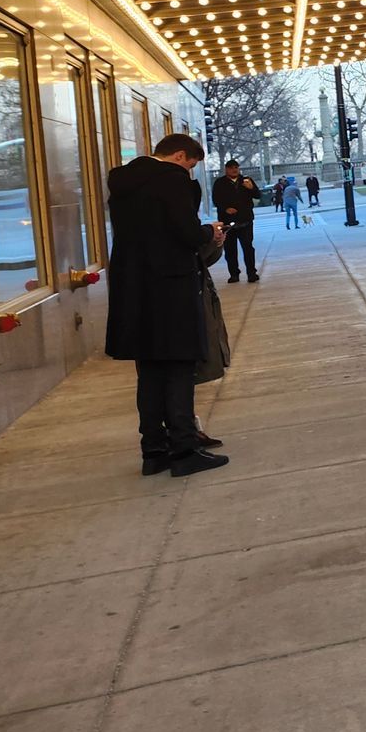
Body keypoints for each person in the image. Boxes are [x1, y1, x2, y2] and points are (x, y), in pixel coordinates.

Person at [106, 133, 229, 477]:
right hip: (171, 290)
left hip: (134, 291)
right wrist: (210, 232)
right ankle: (184, 449)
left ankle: (154, 450)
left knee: (149, 372)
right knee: (178, 369)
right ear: (178, 156)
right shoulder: (172, 182)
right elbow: (187, 234)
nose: (190, 172)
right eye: (190, 165)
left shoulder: (123, 182)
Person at [211, 158, 261, 284]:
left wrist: (251, 188)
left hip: (245, 219)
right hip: (227, 221)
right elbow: (216, 199)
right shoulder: (220, 183)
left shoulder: (246, 180)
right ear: (226, 169)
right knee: (230, 249)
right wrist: (225, 209)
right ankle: (234, 274)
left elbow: (258, 195)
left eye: (236, 168)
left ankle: (251, 273)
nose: (234, 170)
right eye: (231, 168)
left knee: (248, 247)